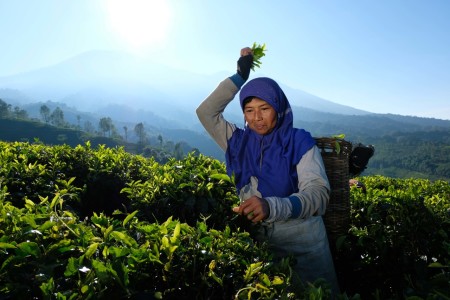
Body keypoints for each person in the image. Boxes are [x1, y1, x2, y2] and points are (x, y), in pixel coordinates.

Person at [196, 47, 339, 295]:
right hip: (261, 246)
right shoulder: (238, 142)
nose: (257, 118)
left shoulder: (299, 142)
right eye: (249, 110)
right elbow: (206, 113)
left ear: (278, 108)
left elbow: (318, 194)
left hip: (304, 245)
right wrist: (240, 77)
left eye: (265, 108)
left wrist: (272, 206)